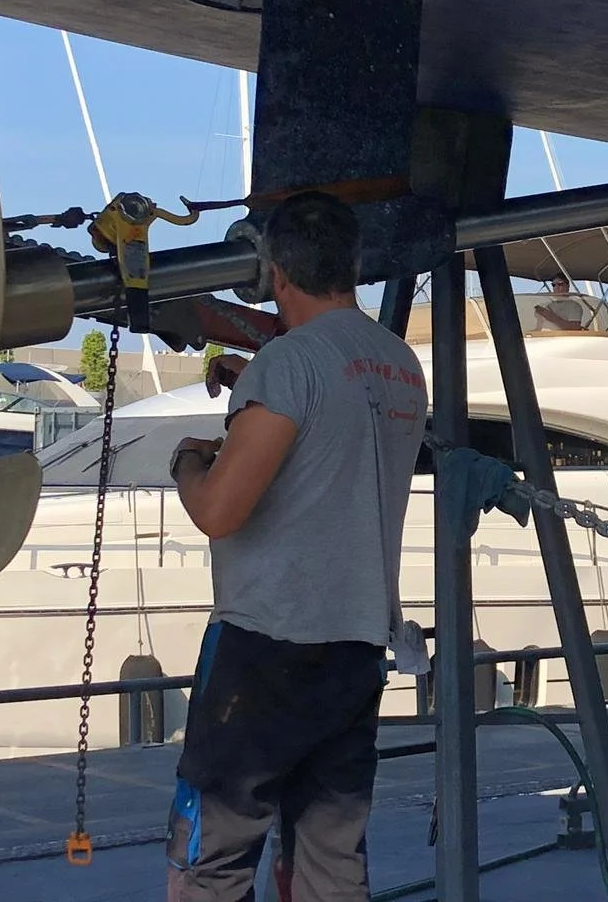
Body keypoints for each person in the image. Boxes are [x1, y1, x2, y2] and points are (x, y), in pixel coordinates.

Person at [164, 191, 427, 902]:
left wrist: (188, 461)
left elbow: (220, 509)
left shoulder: (287, 366)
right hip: (354, 647)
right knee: (330, 857)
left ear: (275, 271)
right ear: (354, 265)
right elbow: (326, 457)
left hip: (265, 644)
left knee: (211, 853)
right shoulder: (399, 363)